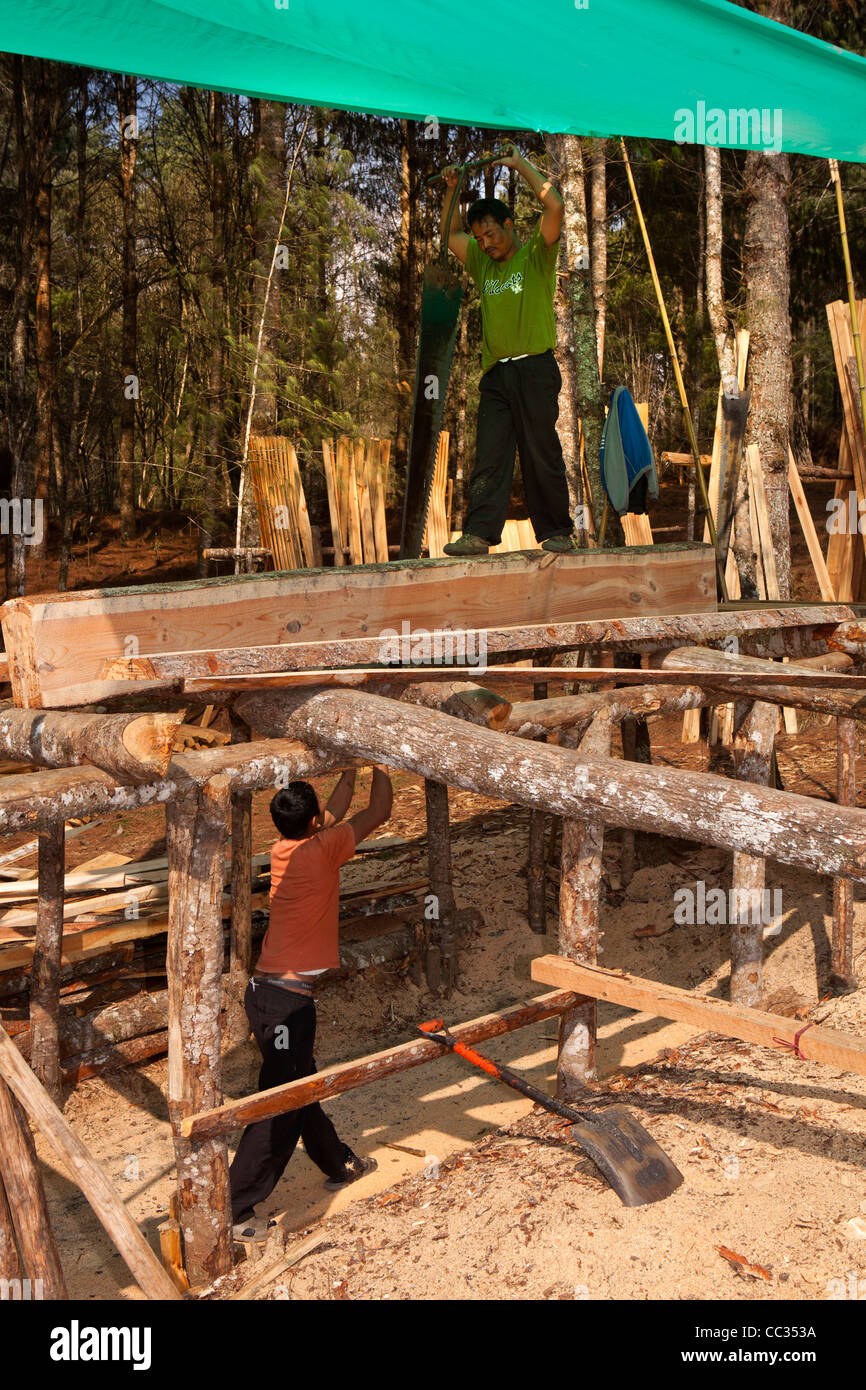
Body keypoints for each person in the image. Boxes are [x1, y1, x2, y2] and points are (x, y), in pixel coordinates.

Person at [229, 763, 394, 1242]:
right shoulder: (322, 851)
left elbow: (336, 811)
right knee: (282, 1104)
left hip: (266, 996)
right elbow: (379, 811)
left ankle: (338, 1162)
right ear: (314, 823)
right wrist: (380, 765)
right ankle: (234, 1208)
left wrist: (349, 771)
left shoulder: (285, 849)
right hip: (285, 1004)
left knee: (301, 1085)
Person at [441, 144, 576, 556]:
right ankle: (479, 534)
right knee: (491, 455)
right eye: (479, 238)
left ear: (508, 225)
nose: (485, 244)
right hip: (497, 375)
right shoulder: (482, 265)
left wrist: (521, 166)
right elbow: (450, 235)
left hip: (536, 368)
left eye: (491, 234)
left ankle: (555, 532)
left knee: (541, 452)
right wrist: (452, 188)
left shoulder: (537, 255)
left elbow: (555, 208)